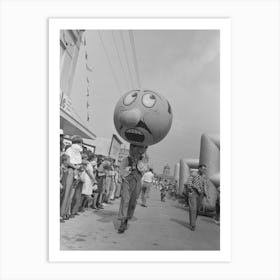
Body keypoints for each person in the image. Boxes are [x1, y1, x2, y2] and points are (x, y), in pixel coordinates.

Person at [117, 144, 147, 233]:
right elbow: (121, 170)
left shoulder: (143, 161)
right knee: (125, 200)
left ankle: (127, 219)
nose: (137, 151)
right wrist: (126, 171)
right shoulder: (127, 159)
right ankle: (122, 221)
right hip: (127, 181)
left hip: (137, 182)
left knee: (133, 202)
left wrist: (140, 163)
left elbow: (143, 170)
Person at [60, 135, 83, 220]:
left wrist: (78, 168)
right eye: (80, 143)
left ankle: (66, 212)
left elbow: (78, 162)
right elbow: (68, 162)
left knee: (71, 194)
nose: (81, 145)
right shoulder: (69, 150)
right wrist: (76, 167)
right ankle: (61, 213)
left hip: (75, 173)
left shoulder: (77, 152)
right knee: (66, 193)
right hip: (70, 172)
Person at [185, 164, 209, 231]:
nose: (204, 170)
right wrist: (196, 187)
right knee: (193, 209)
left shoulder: (204, 176)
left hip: (200, 195)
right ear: (199, 168)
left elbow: (205, 186)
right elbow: (188, 183)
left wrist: (207, 195)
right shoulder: (193, 174)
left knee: (197, 210)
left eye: (205, 169)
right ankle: (193, 225)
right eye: (203, 169)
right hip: (193, 193)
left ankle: (192, 222)